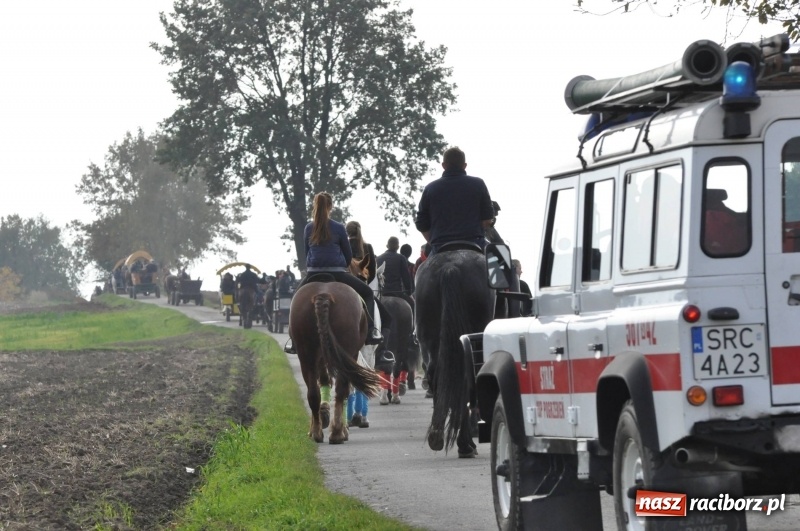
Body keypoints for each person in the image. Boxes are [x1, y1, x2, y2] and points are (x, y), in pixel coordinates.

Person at [284, 192, 382, 353]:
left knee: (295, 299)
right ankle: (372, 331)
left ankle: (294, 340)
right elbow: (348, 255)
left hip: (313, 273)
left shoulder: (308, 228)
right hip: (338, 273)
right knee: (368, 293)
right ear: (330, 206)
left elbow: (306, 253)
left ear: (315, 206)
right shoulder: (338, 227)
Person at [415, 146, 495, 255]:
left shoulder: (430, 188)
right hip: (476, 243)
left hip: (439, 246)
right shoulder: (479, 184)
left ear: (444, 166)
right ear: (464, 165)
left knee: (422, 266)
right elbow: (487, 220)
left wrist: (433, 242)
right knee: (501, 260)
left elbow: (421, 223)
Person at [346, 220, 393, 363]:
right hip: (361, 285)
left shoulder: (342, 246)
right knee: (387, 318)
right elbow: (372, 272)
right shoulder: (367, 247)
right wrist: (363, 282)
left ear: (347, 232)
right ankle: (374, 335)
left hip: (344, 284)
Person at [377, 236, 414, 312]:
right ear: (397, 247)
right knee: (413, 305)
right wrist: (409, 292)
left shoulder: (378, 258)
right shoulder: (401, 258)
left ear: (387, 245)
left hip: (382, 293)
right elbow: (406, 278)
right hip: (397, 293)